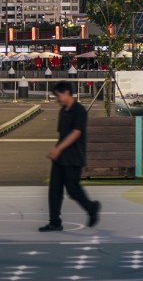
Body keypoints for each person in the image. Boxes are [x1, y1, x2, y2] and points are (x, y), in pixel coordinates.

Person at [41, 81, 101, 232]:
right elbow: (62, 134)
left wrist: (58, 149)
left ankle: (91, 207)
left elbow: (76, 132)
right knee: (54, 190)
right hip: (60, 157)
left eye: (58, 96)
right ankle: (55, 222)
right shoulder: (63, 111)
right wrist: (57, 151)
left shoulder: (79, 110)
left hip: (74, 157)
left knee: (73, 190)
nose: (57, 99)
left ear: (66, 92)